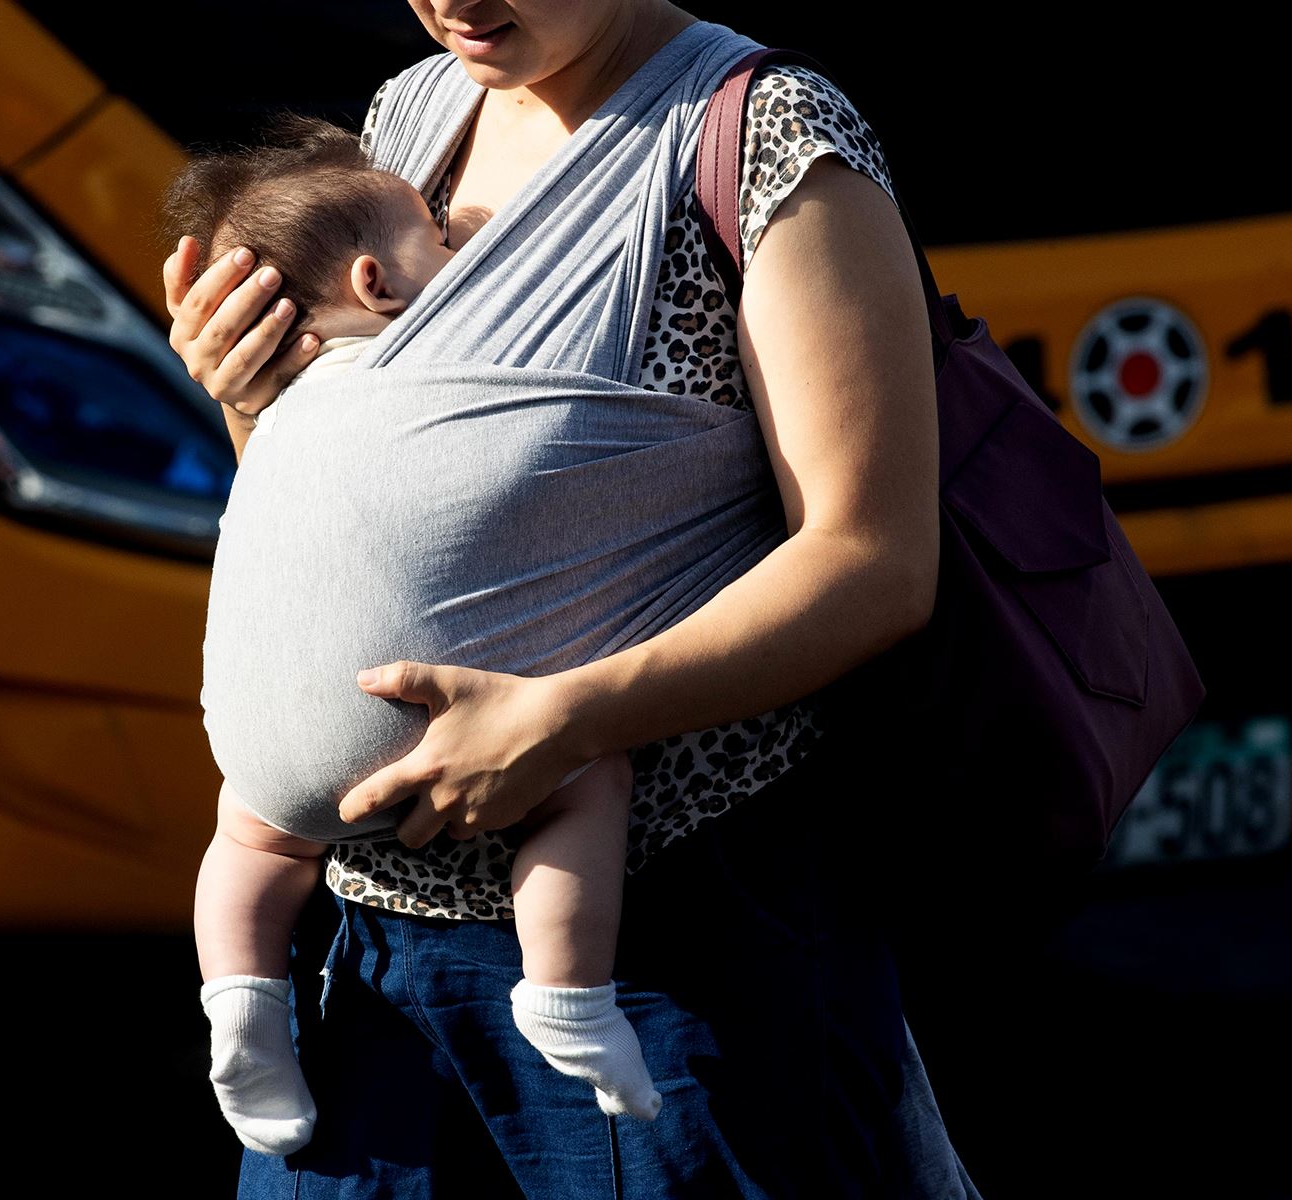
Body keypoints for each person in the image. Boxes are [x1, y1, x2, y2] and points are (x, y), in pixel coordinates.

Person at [161, 4, 984, 1196]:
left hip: (665, 950)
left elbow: (874, 560)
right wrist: (254, 400)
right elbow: (368, 509)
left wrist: (568, 723)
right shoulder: (413, 118)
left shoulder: (757, 138)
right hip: (370, 955)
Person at [161, 115, 661, 1156]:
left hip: (265, 745)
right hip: (431, 715)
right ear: (377, 287)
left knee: (249, 835)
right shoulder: (440, 371)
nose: (463, 248)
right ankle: (568, 990)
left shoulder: (285, 400)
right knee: (588, 780)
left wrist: (243, 408)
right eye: (441, 242)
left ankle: (241, 1001)